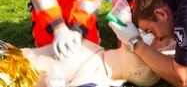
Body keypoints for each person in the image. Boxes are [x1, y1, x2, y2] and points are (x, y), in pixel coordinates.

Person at [0, 39, 160, 87]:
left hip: (11, 75)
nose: (143, 47)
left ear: (135, 73)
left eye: (145, 55)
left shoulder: (98, 79)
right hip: (10, 50)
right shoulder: (99, 50)